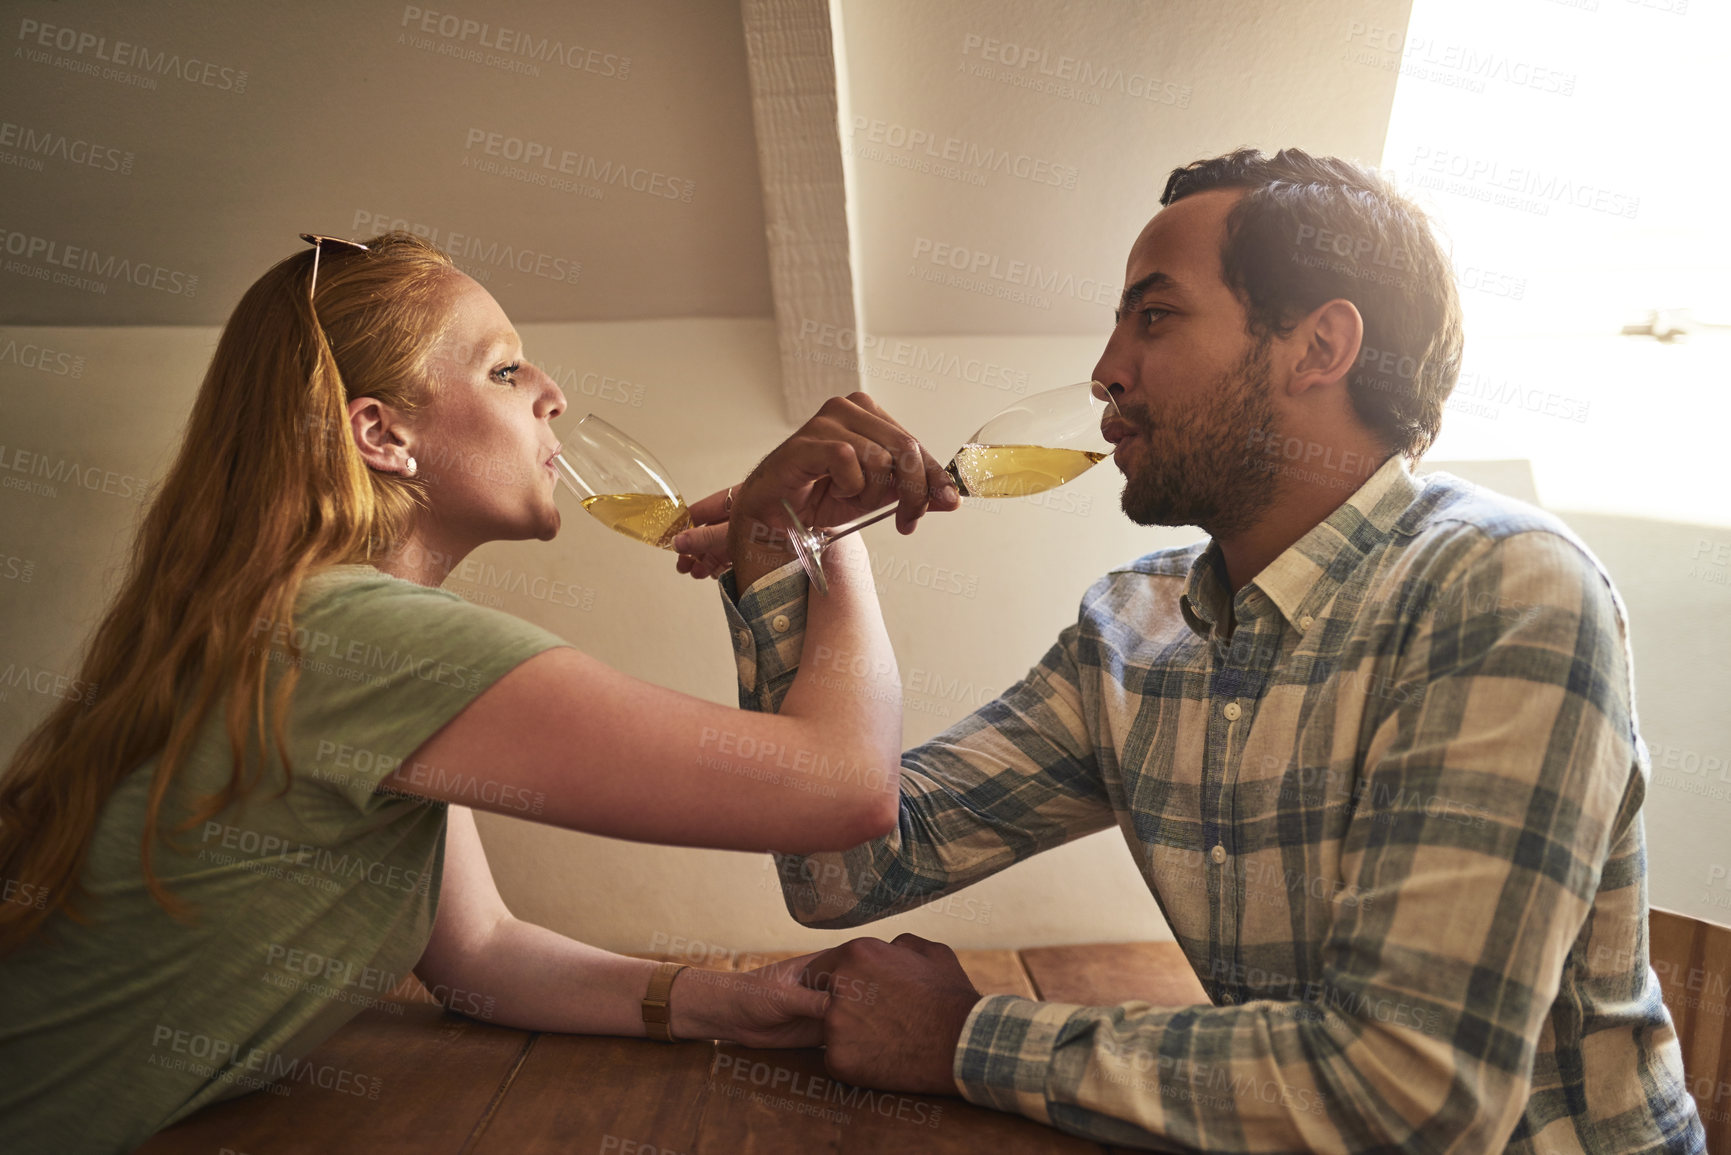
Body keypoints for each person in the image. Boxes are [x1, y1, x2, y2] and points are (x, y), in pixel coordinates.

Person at [683, 149, 1706, 1151]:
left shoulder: (1503, 587)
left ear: (1318, 348)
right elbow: (845, 871)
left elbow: (1408, 1097)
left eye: (1154, 316)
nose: (1104, 371)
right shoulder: (1137, 626)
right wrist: (797, 556)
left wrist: (963, 1037)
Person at [0, 231, 960, 1154]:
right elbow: (841, 790)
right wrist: (821, 536)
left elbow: (480, 955)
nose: (552, 394)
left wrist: (728, 1000)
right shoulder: (358, 637)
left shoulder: (313, 628)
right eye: (505, 370)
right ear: (380, 433)